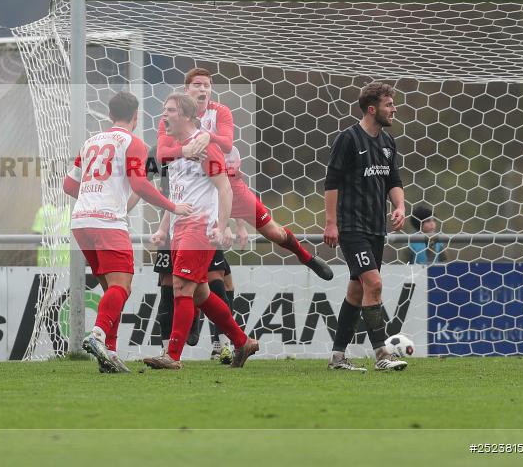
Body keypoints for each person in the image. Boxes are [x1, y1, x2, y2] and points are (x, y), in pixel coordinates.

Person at [156, 67, 333, 281]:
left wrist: (206, 136)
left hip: (227, 182)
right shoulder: (171, 116)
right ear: (186, 89)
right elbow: (161, 154)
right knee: (204, 276)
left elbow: (228, 144)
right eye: (197, 85)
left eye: (207, 85)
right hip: (194, 191)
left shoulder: (220, 111)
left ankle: (307, 258)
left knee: (273, 233)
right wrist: (184, 150)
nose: (203, 89)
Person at [63, 91, 192, 373]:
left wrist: (94, 195)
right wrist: (173, 206)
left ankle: (109, 354)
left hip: (82, 221)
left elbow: (69, 186)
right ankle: (97, 335)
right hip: (108, 221)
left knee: (112, 287)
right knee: (121, 286)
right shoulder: (133, 142)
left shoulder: (89, 143)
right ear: (135, 116)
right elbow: (141, 185)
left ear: (110, 115)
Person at [143, 93, 258, 370]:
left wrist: (221, 225)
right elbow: (168, 171)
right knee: (200, 294)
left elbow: (224, 187)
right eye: (164, 109)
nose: (164, 115)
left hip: (200, 228)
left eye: (169, 110)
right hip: (181, 227)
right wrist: (165, 226)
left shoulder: (207, 148)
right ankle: (243, 342)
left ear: (185, 115)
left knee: (181, 287)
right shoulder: (175, 146)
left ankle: (172, 356)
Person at [322, 82, 408, 372]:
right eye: (389, 104)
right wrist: (331, 223)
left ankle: (337, 357)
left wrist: (399, 206)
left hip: (375, 228)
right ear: (372, 109)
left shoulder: (387, 142)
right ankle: (382, 354)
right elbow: (331, 183)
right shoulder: (348, 139)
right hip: (351, 227)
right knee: (374, 284)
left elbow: (393, 181)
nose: (394, 109)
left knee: (357, 291)